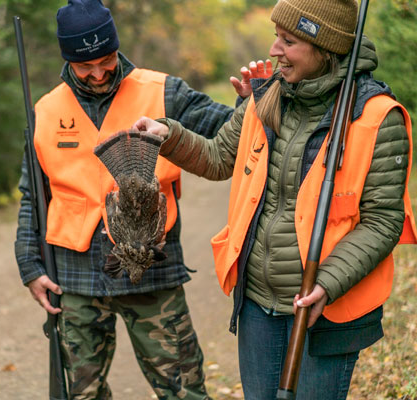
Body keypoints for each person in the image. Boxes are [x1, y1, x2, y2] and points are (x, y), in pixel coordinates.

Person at [134, 0, 417, 398]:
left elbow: (383, 221)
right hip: (257, 305)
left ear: (325, 49)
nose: (274, 51)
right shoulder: (266, 97)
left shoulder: (375, 117)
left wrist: (328, 284)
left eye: (288, 41)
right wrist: (169, 135)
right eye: (275, 37)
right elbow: (217, 158)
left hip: (324, 308)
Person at [14, 0, 269, 398]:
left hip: (153, 267)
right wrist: (30, 264)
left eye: (107, 60)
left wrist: (248, 102)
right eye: (85, 66)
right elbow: (33, 193)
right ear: (68, 60)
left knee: (184, 389)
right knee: (80, 394)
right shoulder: (45, 110)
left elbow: (229, 138)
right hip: (74, 275)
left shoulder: (164, 90)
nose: (99, 74)